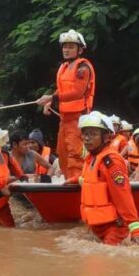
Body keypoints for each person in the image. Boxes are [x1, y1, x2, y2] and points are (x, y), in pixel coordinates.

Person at [68, 111, 139, 245]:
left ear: (106, 137)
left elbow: (123, 195)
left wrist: (135, 228)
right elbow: (92, 181)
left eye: (93, 134)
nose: (87, 138)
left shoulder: (111, 161)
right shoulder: (92, 158)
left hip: (114, 226)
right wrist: (75, 180)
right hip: (97, 225)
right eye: (85, 133)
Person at [36, 29, 95, 181]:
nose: (66, 49)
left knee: (74, 150)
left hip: (78, 117)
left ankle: (77, 178)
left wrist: (52, 98)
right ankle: (68, 176)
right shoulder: (64, 67)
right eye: (64, 46)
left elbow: (77, 92)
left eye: (70, 46)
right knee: (62, 151)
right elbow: (62, 90)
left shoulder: (83, 67)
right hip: (65, 117)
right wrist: (50, 101)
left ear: (80, 49)